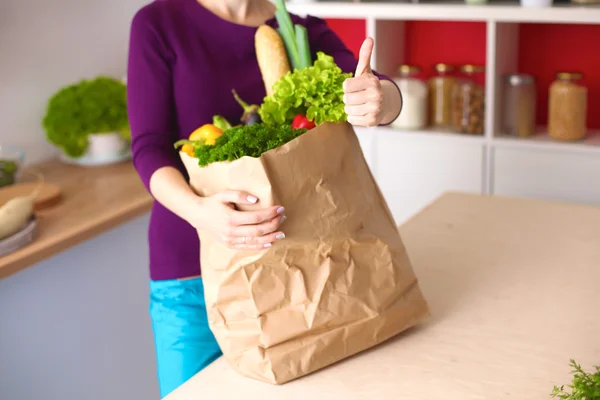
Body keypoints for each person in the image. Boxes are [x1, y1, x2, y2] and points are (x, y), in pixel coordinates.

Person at [126, 0, 402, 397]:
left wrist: (381, 99)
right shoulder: (158, 24)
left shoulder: (298, 30)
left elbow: (374, 87)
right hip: (191, 275)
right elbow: (149, 147)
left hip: (295, 270)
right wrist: (201, 213)